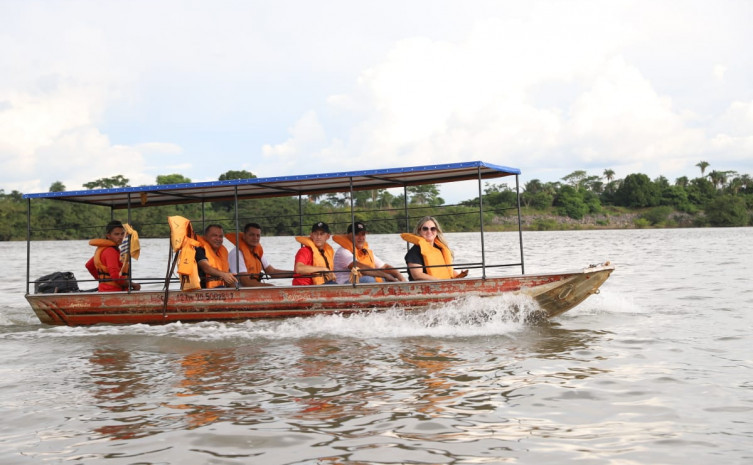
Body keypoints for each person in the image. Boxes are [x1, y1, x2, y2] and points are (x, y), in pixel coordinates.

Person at [333, 221, 406, 284]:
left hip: (364, 281)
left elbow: (384, 266)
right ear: (348, 235)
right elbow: (361, 268)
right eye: (356, 234)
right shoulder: (343, 251)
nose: (361, 238)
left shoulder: (365, 251)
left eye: (363, 234)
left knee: (391, 274)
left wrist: (398, 275)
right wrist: (385, 275)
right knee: (369, 280)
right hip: (346, 283)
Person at [226, 222, 294, 287]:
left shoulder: (257, 252)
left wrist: (296, 273)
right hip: (240, 291)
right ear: (244, 236)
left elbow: (272, 272)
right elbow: (246, 282)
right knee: (272, 288)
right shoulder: (236, 254)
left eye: (258, 235)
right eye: (252, 235)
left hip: (254, 290)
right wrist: (271, 287)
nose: (255, 238)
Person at [402, 216, 468, 281]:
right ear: (419, 231)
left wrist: (459, 276)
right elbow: (417, 275)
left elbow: (447, 269)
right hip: (425, 288)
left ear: (437, 231)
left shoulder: (440, 248)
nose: (429, 231)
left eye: (433, 229)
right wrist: (441, 282)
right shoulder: (414, 252)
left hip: (444, 285)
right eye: (425, 229)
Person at [85, 220, 141, 292]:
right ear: (108, 236)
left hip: (104, 290)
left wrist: (103, 280)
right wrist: (133, 285)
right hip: (113, 291)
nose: (120, 237)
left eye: (122, 234)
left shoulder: (105, 249)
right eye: (116, 234)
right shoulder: (111, 252)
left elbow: (89, 265)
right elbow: (116, 276)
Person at [195, 224, 238, 288]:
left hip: (219, 289)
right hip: (202, 291)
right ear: (205, 236)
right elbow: (206, 268)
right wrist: (223, 275)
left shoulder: (222, 252)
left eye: (220, 236)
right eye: (214, 236)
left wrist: (235, 291)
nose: (218, 239)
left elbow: (227, 275)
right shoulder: (199, 249)